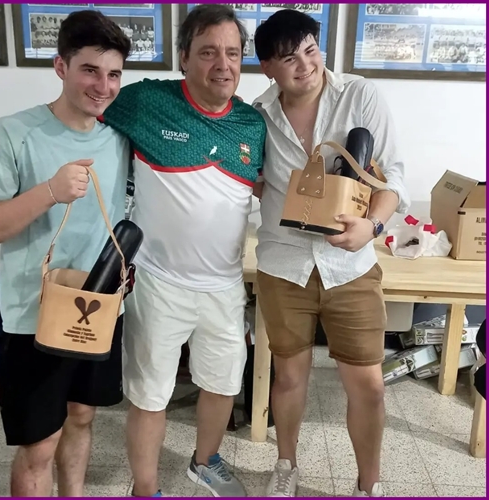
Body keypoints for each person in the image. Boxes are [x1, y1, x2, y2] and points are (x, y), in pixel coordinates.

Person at [99, 4, 266, 498]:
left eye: (232, 53)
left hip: (225, 285)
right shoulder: (147, 102)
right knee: (150, 394)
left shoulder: (251, 124)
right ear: (184, 58)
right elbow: (84, 112)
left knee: (223, 383)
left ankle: (204, 462)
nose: (223, 64)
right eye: (208, 52)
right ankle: (145, 489)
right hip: (158, 281)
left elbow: (259, 184)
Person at [252, 10, 410, 498]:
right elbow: (253, 179)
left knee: (369, 385)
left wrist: (373, 226)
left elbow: (394, 177)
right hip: (284, 264)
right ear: (267, 68)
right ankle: (286, 465)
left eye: (310, 50)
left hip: (351, 266)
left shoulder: (359, 96)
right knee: (288, 377)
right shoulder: (258, 114)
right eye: (289, 59)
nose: (306, 65)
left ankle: (368, 484)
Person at [0, 10, 132, 497]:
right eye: (90, 70)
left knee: (81, 416)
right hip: (31, 316)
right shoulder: (12, 133)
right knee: (39, 444)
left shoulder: (119, 138)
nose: (103, 86)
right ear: (60, 66)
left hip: (98, 306)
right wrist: (50, 191)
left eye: (113, 74)